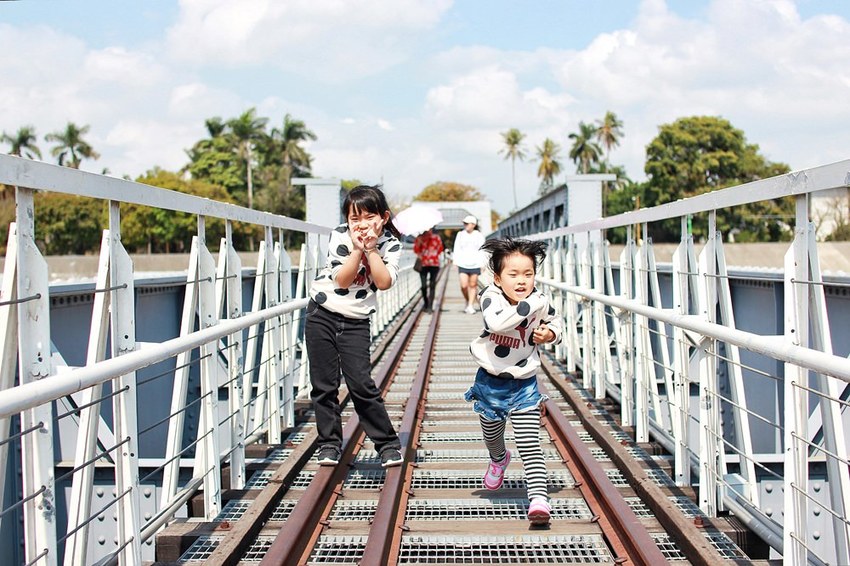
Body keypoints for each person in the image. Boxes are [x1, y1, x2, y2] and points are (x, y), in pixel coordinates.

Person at [464, 237, 563, 525]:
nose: (522, 281)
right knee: (492, 436)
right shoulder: (490, 296)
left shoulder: (540, 300)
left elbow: (556, 322)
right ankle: (499, 459)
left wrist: (550, 334)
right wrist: (531, 303)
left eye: (528, 274)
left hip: (524, 382)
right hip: (490, 381)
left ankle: (539, 499)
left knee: (530, 443)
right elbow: (496, 323)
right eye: (513, 274)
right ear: (498, 278)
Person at [306, 185, 404, 468]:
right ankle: (329, 444)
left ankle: (387, 445)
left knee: (361, 384)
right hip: (322, 313)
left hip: (356, 320)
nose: (361, 224)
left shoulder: (391, 244)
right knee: (323, 385)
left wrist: (370, 250)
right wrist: (357, 250)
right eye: (354, 218)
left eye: (369, 217)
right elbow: (342, 280)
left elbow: (383, 282)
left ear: (384, 217)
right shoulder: (340, 235)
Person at [452, 214, 485, 314]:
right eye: (464, 223)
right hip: (463, 263)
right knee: (463, 285)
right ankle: (467, 300)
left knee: (473, 285)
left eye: (467, 223)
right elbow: (456, 248)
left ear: (473, 224)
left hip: (475, 263)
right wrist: (455, 261)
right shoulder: (460, 234)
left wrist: (483, 263)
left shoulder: (479, 235)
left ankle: (470, 305)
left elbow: (482, 250)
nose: (465, 225)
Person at [413, 227, 444, 313]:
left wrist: (432, 253)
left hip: (434, 264)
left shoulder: (436, 237)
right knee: (423, 286)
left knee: (432, 284)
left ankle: (430, 306)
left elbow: (440, 249)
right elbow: (416, 250)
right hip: (423, 264)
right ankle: (426, 303)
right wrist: (419, 243)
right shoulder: (419, 237)